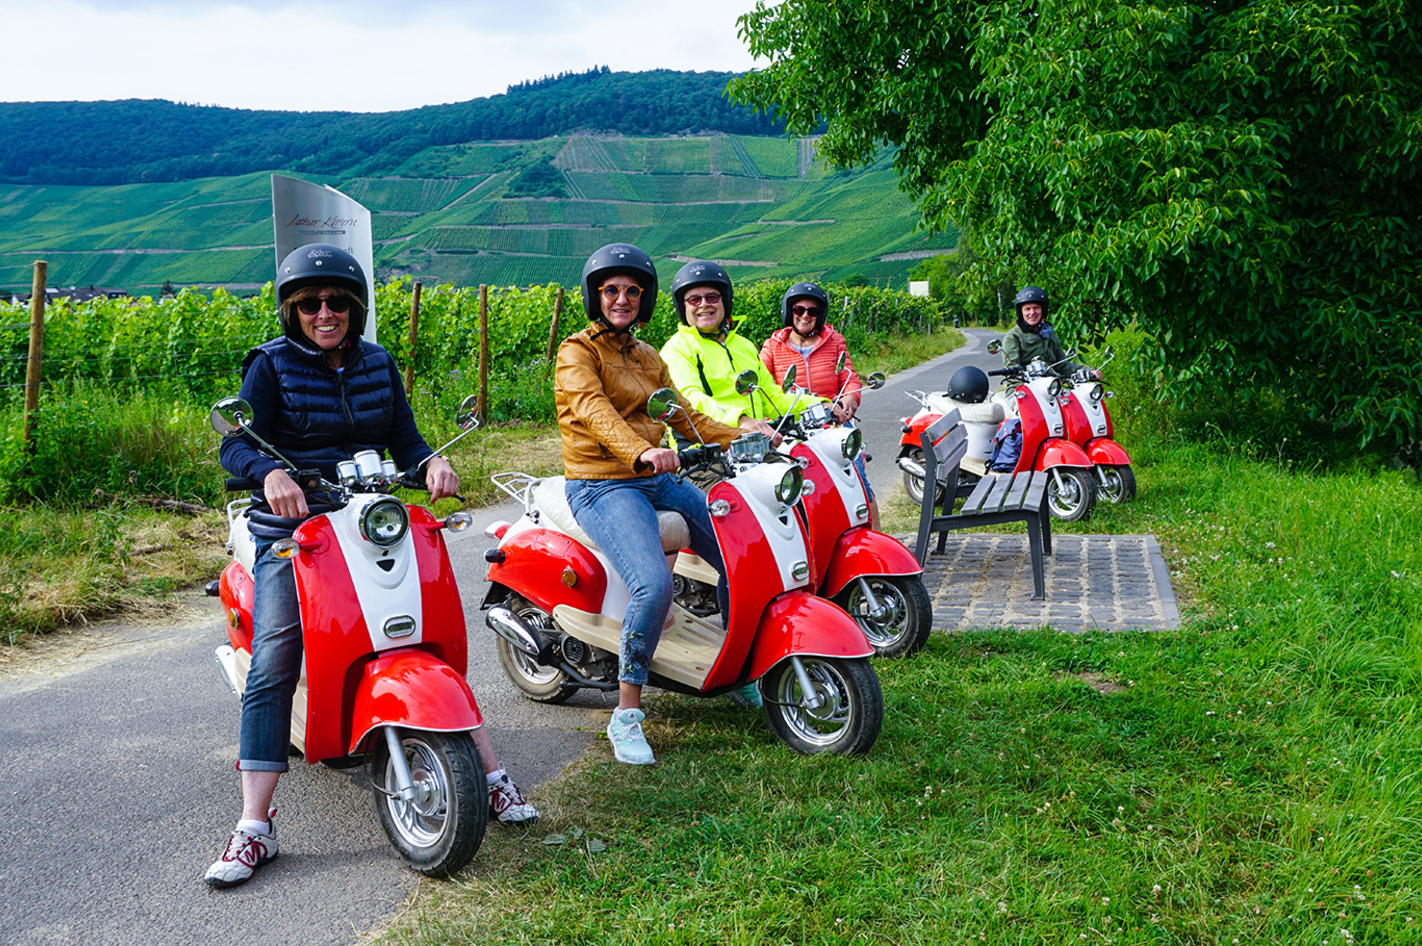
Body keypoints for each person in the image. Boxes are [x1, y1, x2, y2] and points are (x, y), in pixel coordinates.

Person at [206, 244, 537, 889]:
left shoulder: (379, 363)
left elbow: (407, 441)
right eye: (309, 303)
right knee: (276, 657)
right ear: (292, 310)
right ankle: (254, 826)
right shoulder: (270, 367)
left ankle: (488, 775)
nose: (324, 313)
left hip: (366, 517)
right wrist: (272, 471)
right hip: (292, 529)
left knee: (431, 629)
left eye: (336, 302)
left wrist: (432, 464)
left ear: (355, 307)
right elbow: (235, 444)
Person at [556, 244, 753, 767]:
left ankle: (736, 667)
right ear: (596, 296)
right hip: (602, 484)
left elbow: (687, 418)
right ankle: (627, 714)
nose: (622, 299)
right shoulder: (577, 352)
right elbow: (595, 412)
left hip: (655, 476)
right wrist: (640, 450)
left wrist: (745, 435)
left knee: (740, 554)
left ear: (644, 300)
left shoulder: (648, 357)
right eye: (611, 290)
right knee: (655, 584)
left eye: (632, 291)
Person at [759, 280, 878, 527]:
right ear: (788, 311)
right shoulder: (772, 347)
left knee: (857, 479)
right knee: (782, 488)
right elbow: (762, 388)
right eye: (799, 310)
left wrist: (850, 399)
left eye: (812, 311)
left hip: (833, 426)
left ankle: (876, 542)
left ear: (820, 315)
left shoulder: (834, 341)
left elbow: (850, 377)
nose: (805, 316)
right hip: (792, 429)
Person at [659, 260, 816, 440]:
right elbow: (690, 399)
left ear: (724, 301)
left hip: (754, 443)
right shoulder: (677, 349)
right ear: (683, 306)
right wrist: (740, 420)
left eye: (712, 297)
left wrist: (817, 405)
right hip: (706, 450)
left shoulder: (744, 345)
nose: (703, 304)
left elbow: (771, 396)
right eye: (694, 299)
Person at [1001, 286, 1101, 380]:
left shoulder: (1049, 333)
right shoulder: (1014, 336)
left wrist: (1087, 371)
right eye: (1027, 309)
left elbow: (1062, 366)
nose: (1032, 313)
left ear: (1043, 310)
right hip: (1023, 389)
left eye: (1036, 308)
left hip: (1052, 387)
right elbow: (1012, 372)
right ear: (1020, 312)